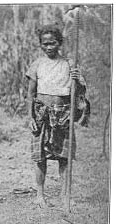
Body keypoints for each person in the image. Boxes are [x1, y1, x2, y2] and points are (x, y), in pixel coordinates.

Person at [26, 24, 88, 208]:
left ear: (59, 43)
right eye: (44, 44)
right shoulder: (37, 64)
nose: (48, 47)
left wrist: (79, 80)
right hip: (41, 113)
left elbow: (81, 92)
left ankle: (65, 194)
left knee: (65, 156)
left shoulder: (69, 64)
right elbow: (30, 94)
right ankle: (40, 195)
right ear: (41, 45)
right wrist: (30, 117)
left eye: (52, 43)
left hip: (64, 115)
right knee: (40, 156)